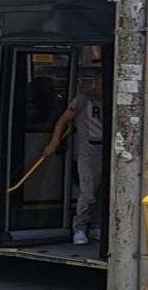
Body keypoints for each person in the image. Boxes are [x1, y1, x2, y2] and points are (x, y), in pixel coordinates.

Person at [43, 68, 104, 245]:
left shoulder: (115, 98)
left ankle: (96, 225)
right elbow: (63, 120)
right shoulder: (84, 98)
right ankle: (80, 227)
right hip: (89, 150)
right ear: (96, 81)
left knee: (103, 191)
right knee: (89, 191)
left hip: (108, 150)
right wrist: (54, 142)